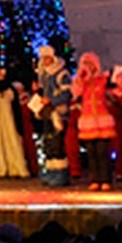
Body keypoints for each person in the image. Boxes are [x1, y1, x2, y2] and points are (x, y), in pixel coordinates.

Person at [72, 51, 116, 190]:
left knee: (102, 152)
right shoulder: (81, 81)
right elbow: (75, 93)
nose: (89, 67)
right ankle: (95, 179)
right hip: (88, 120)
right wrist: (81, 77)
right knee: (91, 153)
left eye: (91, 64)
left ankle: (106, 179)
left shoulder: (102, 80)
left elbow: (116, 91)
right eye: (86, 64)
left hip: (102, 120)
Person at [34, 45, 71, 187]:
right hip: (47, 112)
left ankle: (61, 173)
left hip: (58, 113)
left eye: (48, 58)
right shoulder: (44, 75)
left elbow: (67, 93)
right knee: (48, 142)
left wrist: (52, 100)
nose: (46, 61)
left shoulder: (62, 74)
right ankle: (51, 170)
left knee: (57, 143)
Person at [0, 66, 29, 178]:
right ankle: (1, 168)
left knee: (12, 140)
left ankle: (16, 168)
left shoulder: (10, 89)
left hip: (9, 118)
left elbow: (16, 107)